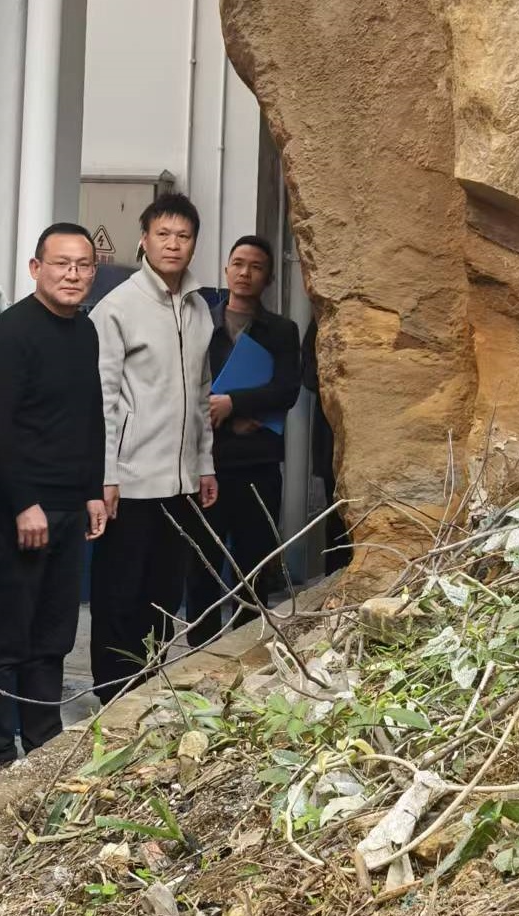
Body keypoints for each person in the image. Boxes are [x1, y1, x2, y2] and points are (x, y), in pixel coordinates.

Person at [0, 222, 106, 784]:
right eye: (61, 264)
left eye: (83, 265)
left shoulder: (86, 330)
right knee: (5, 634)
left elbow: (91, 416)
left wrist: (93, 490)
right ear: (35, 268)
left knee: (54, 633)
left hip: (71, 505)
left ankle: (43, 738)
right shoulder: (10, 333)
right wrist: (23, 502)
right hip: (20, 510)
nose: (73, 275)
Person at [89, 193, 217, 701]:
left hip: (181, 480)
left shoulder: (200, 308)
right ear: (144, 240)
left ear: (194, 244)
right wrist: (106, 474)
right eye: (163, 234)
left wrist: (204, 464)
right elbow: (103, 399)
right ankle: (112, 691)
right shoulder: (117, 308)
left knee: (164, 592)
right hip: (130, 478)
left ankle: (148, 683)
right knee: (121, 591)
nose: (173, 244)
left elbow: (202, 394)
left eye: (183, 236)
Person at [184, 236, 300, 646]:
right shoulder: (201, 324)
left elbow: (286, 390)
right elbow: (187, 388)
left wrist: (233, 404)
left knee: (254, 564)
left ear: (268, 278)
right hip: (207, 466)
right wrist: (231, 416)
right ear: (226, 269)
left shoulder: (282, 331)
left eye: (256, 266)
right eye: (238, 263)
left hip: (258, 467)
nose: (245, 273)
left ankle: (249, 645)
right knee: (203, 563)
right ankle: (200, 649)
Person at [302, 317, 352, 573]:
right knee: (336, 514)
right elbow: (308, 375)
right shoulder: (325, 319)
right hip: (332, 434)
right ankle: (335, 579)